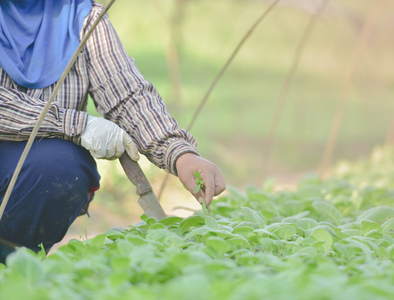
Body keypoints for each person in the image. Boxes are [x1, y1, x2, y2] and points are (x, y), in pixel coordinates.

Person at [0, 0, 226, 262]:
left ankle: (12, 264)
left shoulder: (81, 18)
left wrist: (180, 153)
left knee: (62, 167)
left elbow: (127, 96)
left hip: (30, 172)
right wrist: (77, 125)